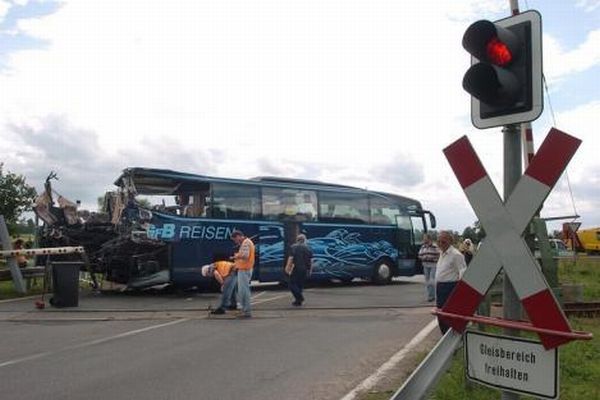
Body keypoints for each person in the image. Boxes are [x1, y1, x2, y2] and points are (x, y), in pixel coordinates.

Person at [435, 231, 467, 334]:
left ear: (450, 241)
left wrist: (458, 292)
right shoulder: (441, 253)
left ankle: (452, 338)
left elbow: (462, 272)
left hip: (450, 288)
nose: (440, 243)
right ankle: (444, 336)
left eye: (443, 241)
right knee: (441, 314)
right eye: (438, 241)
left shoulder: (456, 255)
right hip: (440, 288)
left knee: (448, 316)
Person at [230, 230, 255, 318]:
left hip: (244, 269)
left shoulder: (245, 243)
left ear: (238, 236)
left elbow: (245, 255)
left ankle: (246, 311)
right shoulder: (246, 242)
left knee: (243, 291)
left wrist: (235, 256)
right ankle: (245, 310)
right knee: (243, 290)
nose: (235, 242)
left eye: (235, 239)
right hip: (244, 268)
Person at [285, 234, 313, 306]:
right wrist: (310, 270)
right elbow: (311, 261)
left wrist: (287, 268)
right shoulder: (308, 248)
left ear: (297, 240)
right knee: (299, 285)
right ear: (305, 240)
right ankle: (298, 301)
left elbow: (291, 258)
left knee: (292, 284)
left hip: (296, 268)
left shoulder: (294, 247)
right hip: (305, 269)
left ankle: (300, 298)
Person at [418, 233, 440, 302]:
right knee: (427, 281)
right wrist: (423, 257)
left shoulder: (434, 246)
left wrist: (432, 258)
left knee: (431, 280)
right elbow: (419, 255)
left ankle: (432, 296)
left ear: (429, 238)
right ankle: (431, 296)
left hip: (433, 265)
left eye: (425, 238)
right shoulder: (423, 247)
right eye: (423, 238)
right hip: (425, 265)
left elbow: (439, 254)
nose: (424, 239)